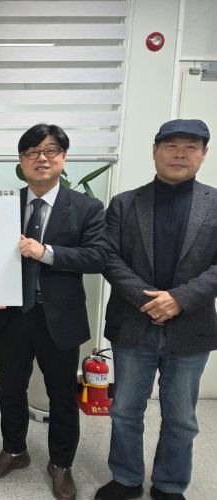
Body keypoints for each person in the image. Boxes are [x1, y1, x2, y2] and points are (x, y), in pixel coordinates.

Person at [0, 123, 109, 500]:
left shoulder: (86, 207)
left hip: (60, 318)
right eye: (32, 152)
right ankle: (14, 450)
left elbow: (98, 256)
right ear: (21, 161)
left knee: (62, 395)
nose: (42, 158)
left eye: (51, 150)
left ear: (63, 157)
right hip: (13, 315)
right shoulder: (1, 205)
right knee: (11, 389)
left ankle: (61, 464)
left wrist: (46, 252)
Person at [95, 119, 215, 500]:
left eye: (191, 147)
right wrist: (151, 300)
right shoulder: (125, 203)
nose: (180, 154)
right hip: (134, 323)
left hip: (191, 326)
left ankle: (169, 484)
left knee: (181, 416)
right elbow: (109, 258)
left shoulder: (215, 204)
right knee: (125, 408)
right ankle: (126, 478)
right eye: (171, 146)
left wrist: (179, 299)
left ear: (204, 154)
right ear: (155, 150)